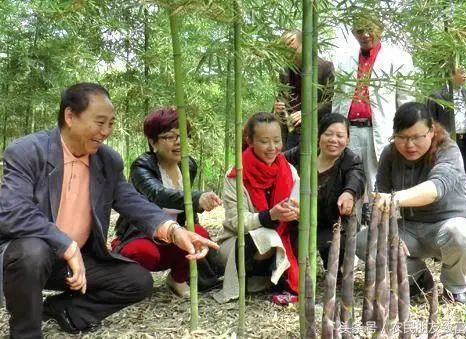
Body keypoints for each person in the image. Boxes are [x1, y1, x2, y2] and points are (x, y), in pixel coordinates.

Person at [0, 83, 219, 338]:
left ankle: (63, 310)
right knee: (32, 251)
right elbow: (13, 211)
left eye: (111, 124)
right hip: (29, 259)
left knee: (137, 281)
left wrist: (173, 230)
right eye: (99, 122)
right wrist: (65, 245)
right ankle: (26, 332)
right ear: (70, 116)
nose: (105, 132)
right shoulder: (27, 151)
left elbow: (133, 202)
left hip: (78, 260)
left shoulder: (107, 160)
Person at [356, 102, 466, 305]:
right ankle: (418, 278)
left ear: (431, 131)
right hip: (410, 230)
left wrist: (396, 199)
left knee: (461, 235)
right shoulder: (390, 154)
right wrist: (392, 232)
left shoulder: (448, 149)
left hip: (446, 228)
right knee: (365, 240)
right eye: (402, 138)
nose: (409, 145)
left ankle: (454, 287)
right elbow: (381, 199)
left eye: (416, 137)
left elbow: (434, 189)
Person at [111, 107, 224, 298]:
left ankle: (177, 279)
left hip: (176, 234)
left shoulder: (189, 165)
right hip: (143, 234)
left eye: (183, 136)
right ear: (153, 142)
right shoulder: (142, 166)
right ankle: (131, 279)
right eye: (170, 137)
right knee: (144, 252)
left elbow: (184, 210)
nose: (179, 142)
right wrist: (196, 198)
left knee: (198, 234)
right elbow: (157, 194)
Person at [331, 13, 415, 222]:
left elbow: (406, 102)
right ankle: (352, 245)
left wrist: (403, 137)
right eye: (360, 30)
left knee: (381, 187)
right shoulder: (343, 61)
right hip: (349, 133)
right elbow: (337, 100)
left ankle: (385, 243)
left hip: (381, 133)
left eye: (370, 29)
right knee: (349, 185)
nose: (366, 35)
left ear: (380, 28)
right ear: (353, 33)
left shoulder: (399, 59)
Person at [213, 112, 300, 303]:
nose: (272, 147)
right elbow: (237, 222)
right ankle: (247, 280)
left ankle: (270, 279)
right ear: (250, 141)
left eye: (277, 140)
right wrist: (270, 215)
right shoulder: (236, 175)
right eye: (264, 141)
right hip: (237, 242)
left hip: (278, 237)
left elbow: (300, 206)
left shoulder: (290, 171)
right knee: (265, 236)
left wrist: (296, 212)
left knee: (296, 234)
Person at [284, 113, 365, 271]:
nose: (334, 140)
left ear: (347, 140)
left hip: (334, 226)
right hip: (300, 223)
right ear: (319, 136)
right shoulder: (302, 153)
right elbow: (277, 163)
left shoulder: (351, 159)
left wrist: (349, 193)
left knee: (334, 254)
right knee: (293, 255)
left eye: (340, 136)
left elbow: (357, 178)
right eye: (328, 134)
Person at [427, 65, 466, 220]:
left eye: (465, 71)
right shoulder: (437, 95)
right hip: (446, 143)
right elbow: (429, 122)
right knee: (445, 173)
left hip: (465, 140)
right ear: (451, 75)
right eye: (461, 72)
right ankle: (445, 209)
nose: (465, 75)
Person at [274, 30, 335, 150]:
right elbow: (281, 98)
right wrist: (278, 108)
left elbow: (330, 102)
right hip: (290, 131)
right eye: (284, 44)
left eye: (291, 41)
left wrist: (307, 113)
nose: (288, 46)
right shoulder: (285, 71)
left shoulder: (324, 67)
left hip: (314, 130)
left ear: (303, 42)